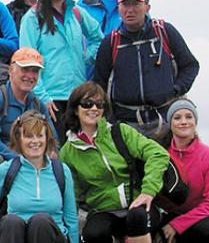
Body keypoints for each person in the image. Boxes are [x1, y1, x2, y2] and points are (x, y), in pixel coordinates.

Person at [59, 82, 169, 243]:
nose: (94, 108)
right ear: (75, 109)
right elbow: (72, 194)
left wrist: (148, 191)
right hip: (103, 211)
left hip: (137, 204)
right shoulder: (67, 152)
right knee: (93, 234)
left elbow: (158, 154)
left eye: (99, 104)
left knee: (137, 217)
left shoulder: (120, 132)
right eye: (87, 104)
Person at [0, 109, 78, 243]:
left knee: (40, 221)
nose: (35, 141)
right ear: (19, 139)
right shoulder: (7, 170)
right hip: (17, 235)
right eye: (29, 136)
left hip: (51, 235)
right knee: (10, 221)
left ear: (47, 138)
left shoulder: (61, 171)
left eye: (40, 135)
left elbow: (70, 216)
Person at [94, 0, 199, 142]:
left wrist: (175, 90)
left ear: (147, 7)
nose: (130, 10)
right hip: (126, 125)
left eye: (136, 4)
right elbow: (99, 85)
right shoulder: (110, 42)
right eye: (125, 4)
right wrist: (111, 120)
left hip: (164, 122)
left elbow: (190, 65)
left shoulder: (164, 32)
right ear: (119, 8)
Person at [19, 0, 103, 144]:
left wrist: (86, 56)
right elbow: (27, 61)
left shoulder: (77, 13)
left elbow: (99, 38)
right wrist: (43, 98)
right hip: (50, 99)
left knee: (80, 153)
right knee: (54, 154)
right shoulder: (32, 18)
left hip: (77, 97)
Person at [0, 48, 56, 189]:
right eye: (25, 70)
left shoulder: (37, 103)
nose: (30, 75)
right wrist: (22, 159)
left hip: (26, 156)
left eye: (35, 71)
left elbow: (53, 139)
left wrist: (50, 154)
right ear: (11, 71)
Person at [158, 98, 209, 243]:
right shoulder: (160, 155)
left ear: (195, 122)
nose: (184, 121)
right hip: (175, 214)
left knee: (206, 231)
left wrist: (176, 225)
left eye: (189, 116)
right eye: (177, 117)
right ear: (170, 124)